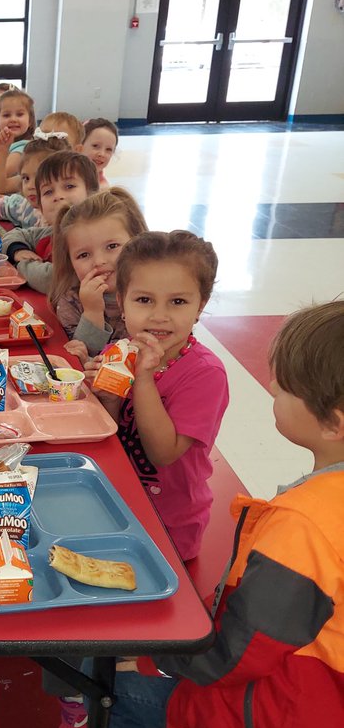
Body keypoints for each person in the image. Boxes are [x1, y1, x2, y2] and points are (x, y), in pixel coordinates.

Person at [61, 301, 344, 728]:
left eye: (281, 388)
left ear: (334, 419)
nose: (272, 396)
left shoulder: (308, 524)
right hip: (319, 691)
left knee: (116, 677)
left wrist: (158, 660)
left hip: (300, 725)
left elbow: (240, 653)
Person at [101, 230, 230, 563]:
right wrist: (108, 397)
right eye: (144, 300)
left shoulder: (205, 374)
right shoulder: (121, 351)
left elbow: (163, 452)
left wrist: (142, 378)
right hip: (115, 503)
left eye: (178, 301)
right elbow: (108, 437)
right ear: (121, 301)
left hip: (169, 526)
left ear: (200, 306)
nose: (160, 315)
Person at [50, 187, 148, 355]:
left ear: (138, 240)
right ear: (70, 261)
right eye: (83, 255)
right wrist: (92, 312)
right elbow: (82, 358)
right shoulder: (70, 302)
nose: (98, 261)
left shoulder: (156, 295)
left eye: (112, 246)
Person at [2, 150, 100, 297]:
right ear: (39, 205)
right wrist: (17, 251)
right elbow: (15, 234)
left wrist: (20, 265)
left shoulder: (93, 239)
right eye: (48, 192)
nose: (58, 196)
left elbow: (55, 280)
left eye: (69, 186)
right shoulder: (50, 232)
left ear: (92, 193)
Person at [0, 136, 70, 229]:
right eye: (26, 178)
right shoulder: (24, 207)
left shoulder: (70, 219)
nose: (30, 186)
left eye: (39, 178)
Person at [0, 88, 37, 194]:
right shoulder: (1, 142)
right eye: (6, 115)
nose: (13, 119)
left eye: (19, 114)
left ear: (30, 121)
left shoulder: (24, 148)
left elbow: (5, 170)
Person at [80, 117, 119, 186]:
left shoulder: (103, 189)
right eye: (95, 146)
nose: (101, 154)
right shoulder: (61, 176)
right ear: (79, 146)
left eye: (108, 149)